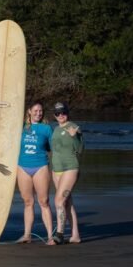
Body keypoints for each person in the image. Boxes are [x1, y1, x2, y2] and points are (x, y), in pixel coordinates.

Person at [16, 101, 55, 245]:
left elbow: (53, 148)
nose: (38, 113)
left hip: (40, 166)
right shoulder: (21, 128)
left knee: (44, 201)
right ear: (29, 111)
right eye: (36, 110)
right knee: (27, 202)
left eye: (41, 111)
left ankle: (50, 236)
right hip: (22, 167)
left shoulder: (46, 129)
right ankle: (27, 235)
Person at [51, 102, 83, 244]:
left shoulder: (73, 127)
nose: (61, 115)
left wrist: (74, 137)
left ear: (67, 113)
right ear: (54, 115)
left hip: (70, 168)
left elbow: (80, 149)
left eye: (63, 112)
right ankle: (75, 235)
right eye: (58, 113)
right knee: (67, 202)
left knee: (58, 200)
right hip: (56, 169)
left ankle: (60, 234)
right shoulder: (56, 129)